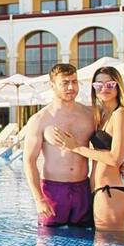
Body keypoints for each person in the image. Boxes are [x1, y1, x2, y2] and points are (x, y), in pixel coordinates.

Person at [48, 67, 124, 230]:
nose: (104, 88)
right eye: (98, 85)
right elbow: (114, 154)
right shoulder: (102, 115)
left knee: (109, 245)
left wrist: (76, 147)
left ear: (118, 86)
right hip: (102, 192)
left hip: (110, 193)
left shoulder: (121, 114)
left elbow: (114, 158)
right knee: (107, 245)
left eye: (110, 84)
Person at [22, 63, 96, 227]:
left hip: (83, 189)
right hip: (53, 191)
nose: (71, 87)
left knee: (86, 238)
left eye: (74, 82)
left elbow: (105, 146)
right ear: (52, 85)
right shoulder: (40, 119)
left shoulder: (90, 115)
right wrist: (39, 199)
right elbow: (29, 161)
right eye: (65, 83)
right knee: (48, 239)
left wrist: (121, 164)